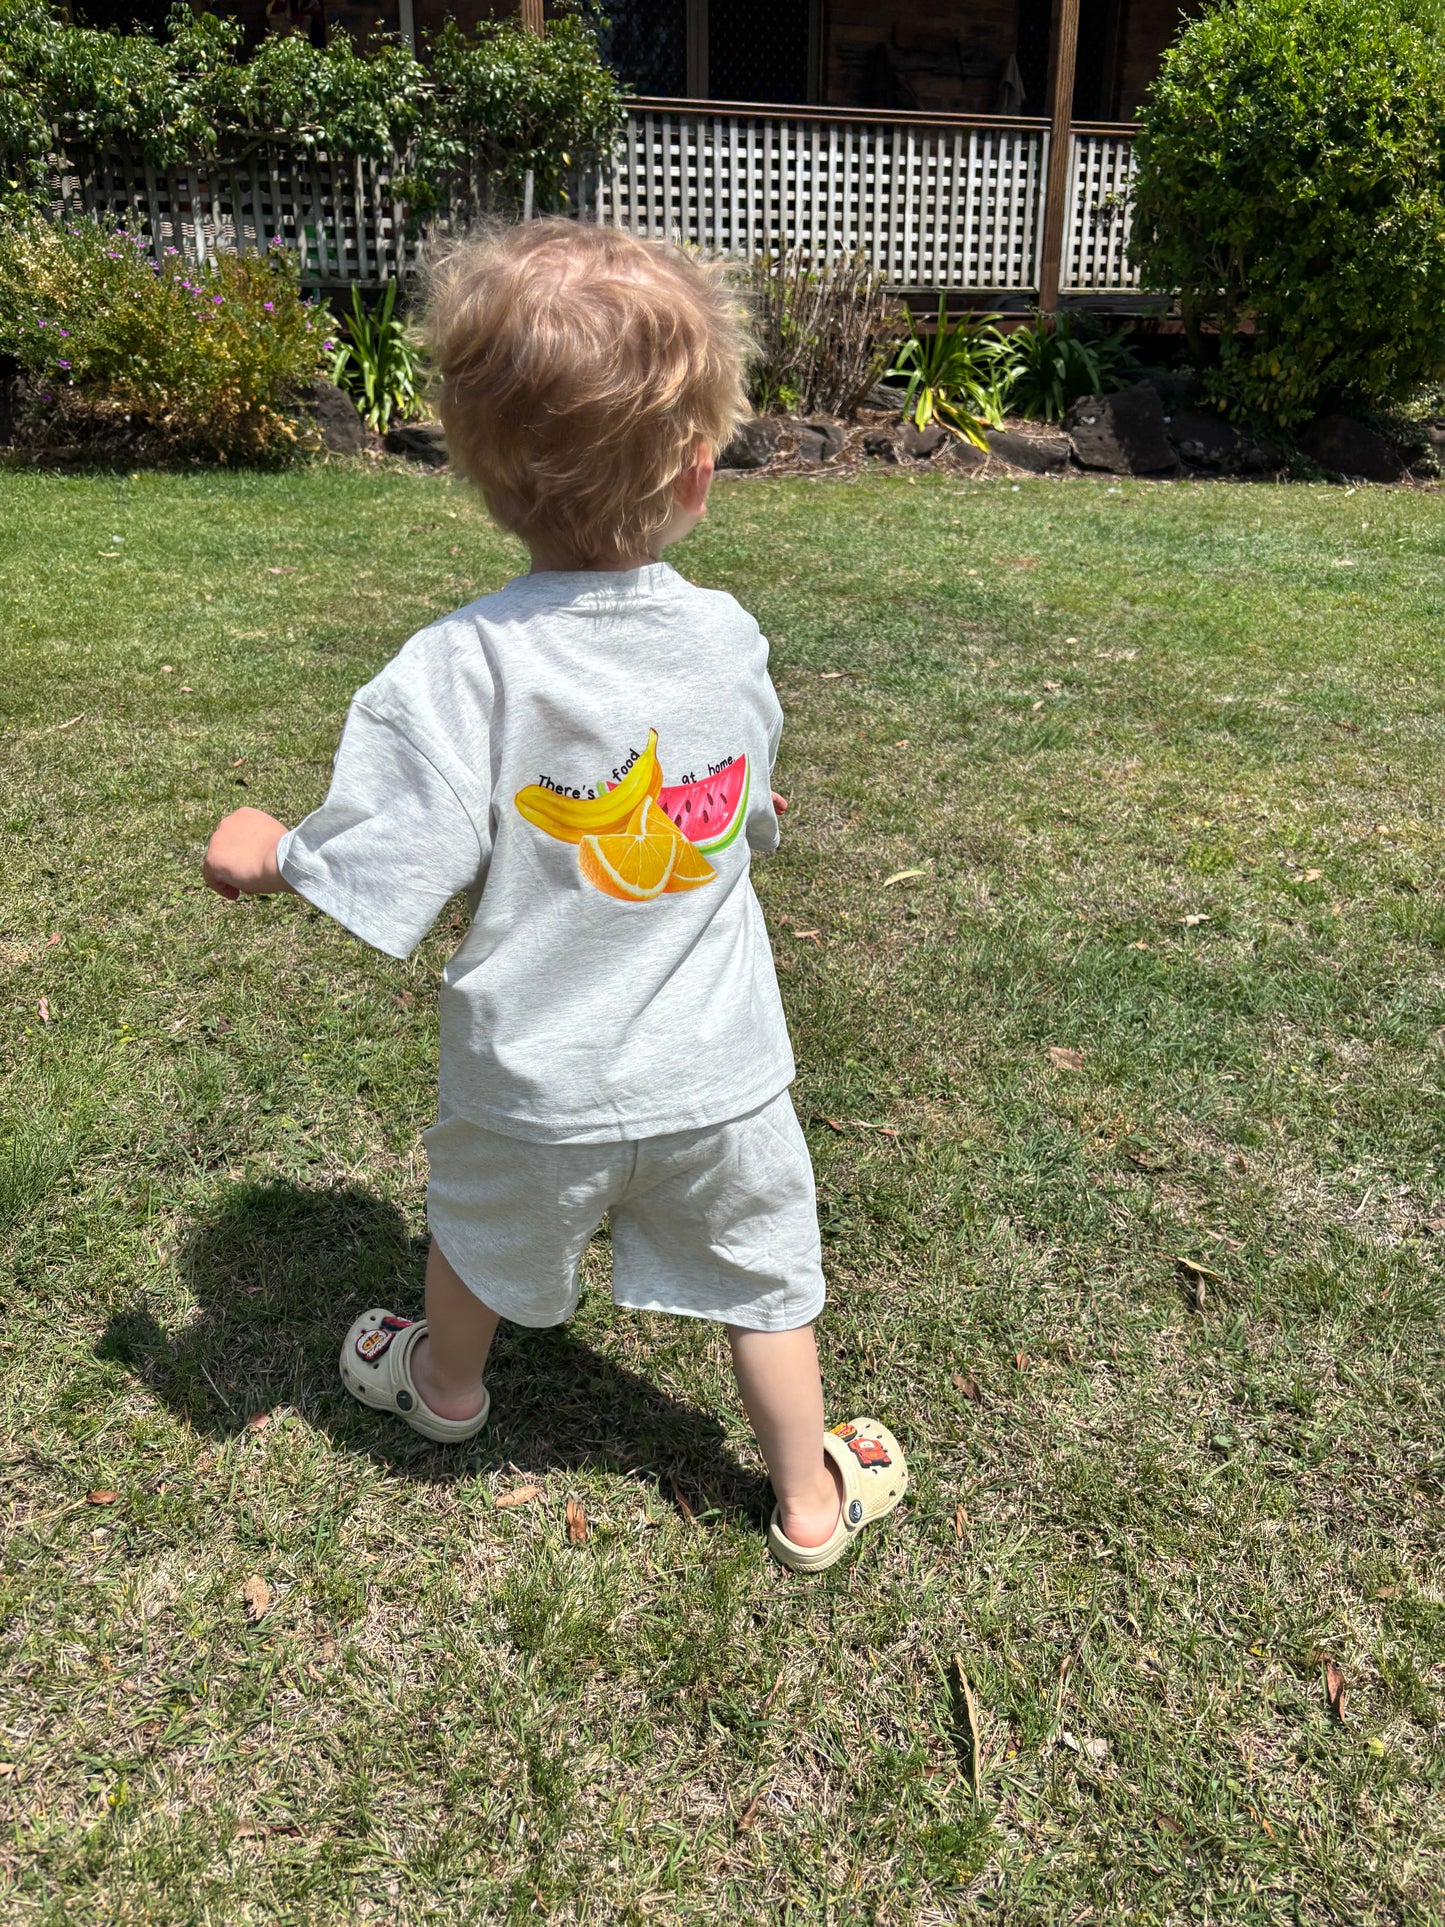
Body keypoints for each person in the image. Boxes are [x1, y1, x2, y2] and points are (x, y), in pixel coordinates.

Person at [201, 220, 905, 1572]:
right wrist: (747, 812)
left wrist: (271, 851)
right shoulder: (723, 635)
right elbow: (734, 779)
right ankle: (809, 1505)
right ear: (700, 471)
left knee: (473, 1231)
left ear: (479, 477)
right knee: (768, 1279)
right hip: (721, 1076)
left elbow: (390, 848)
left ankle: (445, 1389)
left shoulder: (458, 666)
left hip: (533, 1080)